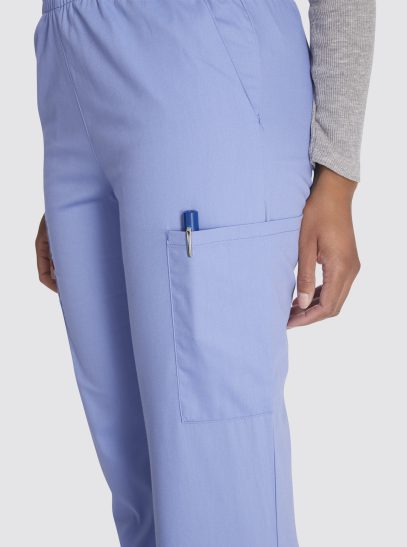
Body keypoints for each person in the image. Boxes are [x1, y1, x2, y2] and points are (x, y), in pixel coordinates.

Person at [34, 1, 375, 545]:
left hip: (199, 57)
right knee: (141, 490)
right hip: (71, 64)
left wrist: (337, 171)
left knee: (215, 488)